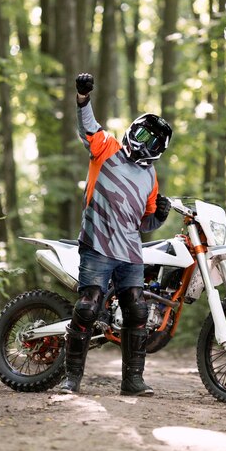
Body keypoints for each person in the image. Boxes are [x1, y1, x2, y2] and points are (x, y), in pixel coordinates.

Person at [58, 72, 172, 396]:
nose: (146, 142)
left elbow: (144, 224)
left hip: (130, 251)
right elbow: (88, 128)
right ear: (134, 129)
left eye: (154, 140)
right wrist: (83, 98)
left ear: (158, 149)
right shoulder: (106, 148)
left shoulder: (151, 177)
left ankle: (132, 382)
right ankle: (71, 380)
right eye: (144, 135)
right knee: (87, 307)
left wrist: (159, 216)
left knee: (136, 310)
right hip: (96, 243)